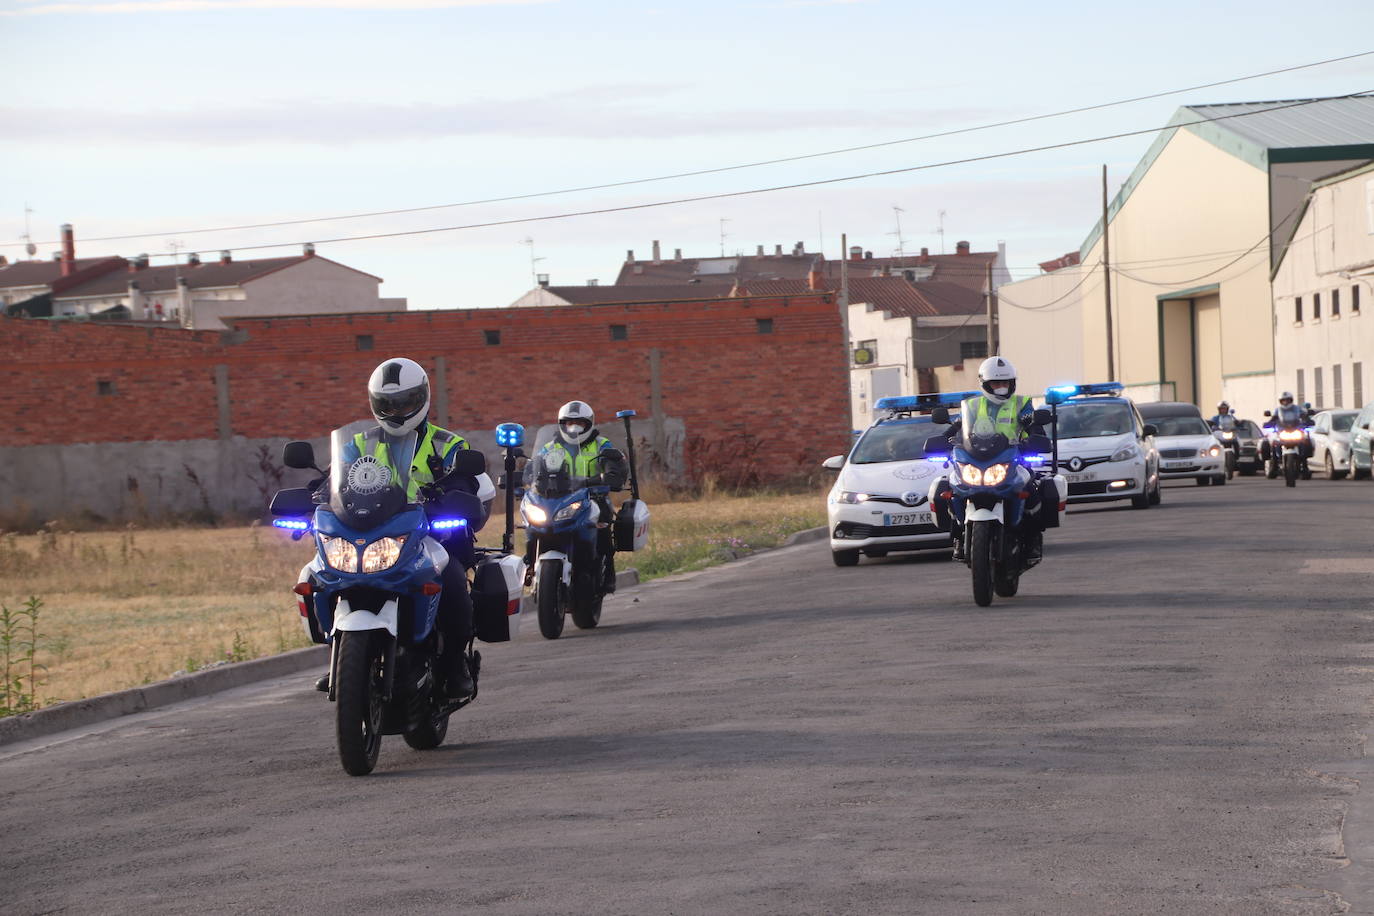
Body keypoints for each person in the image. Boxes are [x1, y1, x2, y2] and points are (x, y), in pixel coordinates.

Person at [316, 357, 493, 697]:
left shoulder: (448, 445)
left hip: (433, 535)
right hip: (371, 533)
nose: (396, 411)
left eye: (405, 402)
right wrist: (315, 494)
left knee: (453, 582)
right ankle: (340, 660)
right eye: (387, 404)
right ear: (374, 404)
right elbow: (331, 482)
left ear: (423, 398)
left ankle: (454, 664)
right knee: (319, 577)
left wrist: (457, 494)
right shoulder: (358, 445)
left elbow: (467, 481)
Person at [937, 356, 1048, 561]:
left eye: (1005, 383)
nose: (1001, 388)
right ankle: (959, 537)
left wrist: (1033, 433)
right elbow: (956, 426)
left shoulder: (1022, 404)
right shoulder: (972, 406)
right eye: (996, 383)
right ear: (985, 384)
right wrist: (942, 441)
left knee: (1031, 489)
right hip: (976, 458)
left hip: (1014, 458)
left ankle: (1032, 540)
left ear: (1012, 383)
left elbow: (1037, 428)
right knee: (949, 489)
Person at [525, 400, 629, 591]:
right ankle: (529, 565)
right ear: (561, 424)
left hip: (593, 497)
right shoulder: (549, 448)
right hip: (557, 498)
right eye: (568, 423)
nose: (573, 427)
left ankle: (606, 573)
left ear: (588, 424)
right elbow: (532, 468)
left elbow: (615, 468)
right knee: (532, 524)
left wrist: (610, 475)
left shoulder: (601, 445)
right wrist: (526, 478)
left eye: (579, 423)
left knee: (603, 525)